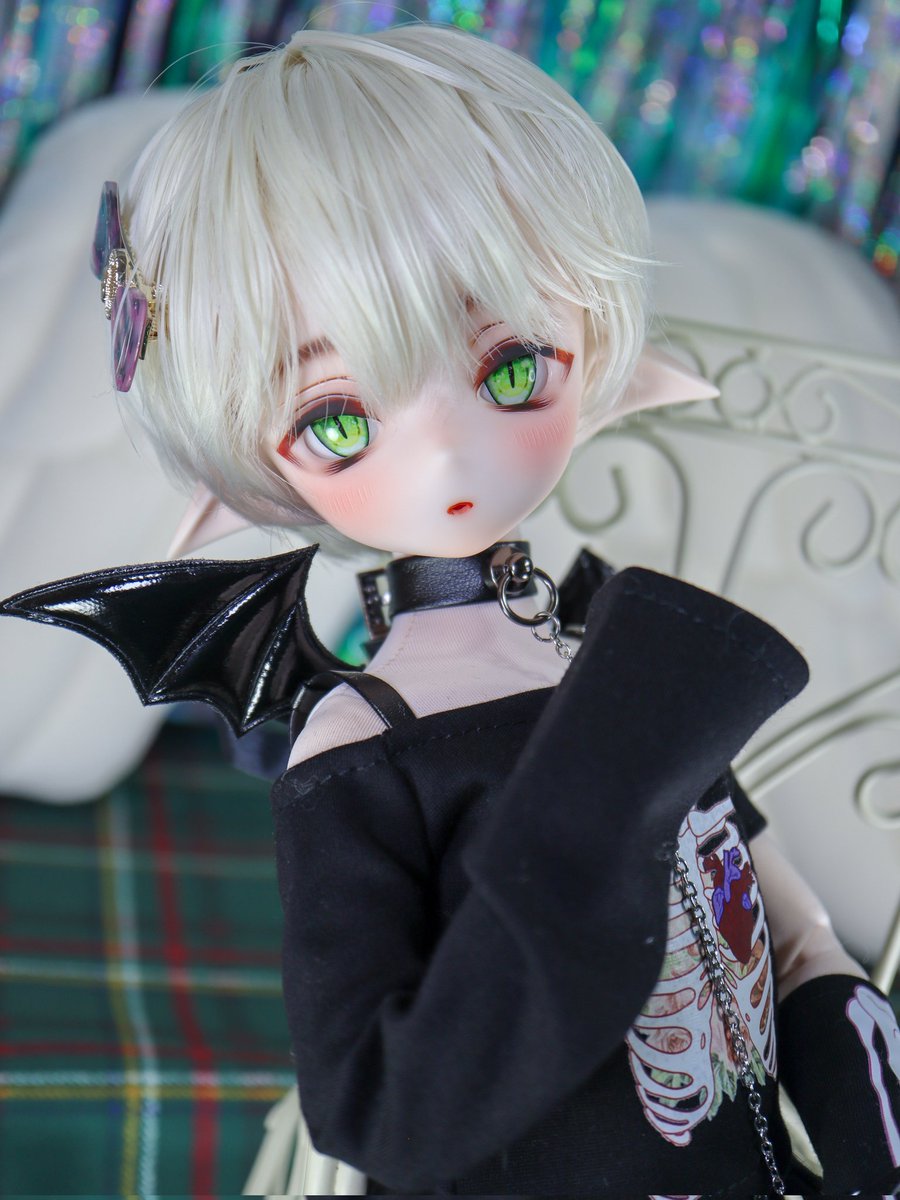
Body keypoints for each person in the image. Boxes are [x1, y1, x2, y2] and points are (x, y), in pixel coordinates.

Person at [8, 23, 900, 1196]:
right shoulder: (365, 739)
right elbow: (379, 1108)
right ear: (251, 459)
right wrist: (596, 799)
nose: (448, 457)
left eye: (511, 368)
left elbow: (793, 937)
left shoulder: (610, 653)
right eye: (337, 421)